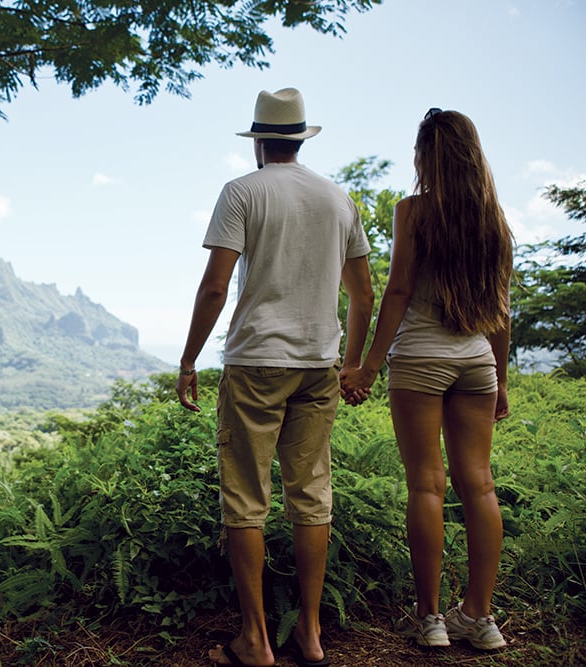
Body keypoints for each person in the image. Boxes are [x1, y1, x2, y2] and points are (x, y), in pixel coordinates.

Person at [176, 87, 374, 667]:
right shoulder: (339, 199)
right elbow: (362, 294)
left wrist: (189, 359)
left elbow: (215, 286)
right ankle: (310, 636)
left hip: (257, 360)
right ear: (301, 138)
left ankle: (256, 640)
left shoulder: (242, 192)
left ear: (260, 140)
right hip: (320, 363)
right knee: (312, 494)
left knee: (245, 498)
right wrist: (354, 363)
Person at [339, 108, 512, 651]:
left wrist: (367, 367)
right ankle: (480, 618)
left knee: (426, 485)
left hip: (420, 359)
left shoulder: (413, 211)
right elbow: (502, 311)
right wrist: (500, 381)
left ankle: (431, 619)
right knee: (479, 484)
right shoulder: (494, 220)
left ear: (425, 156)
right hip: (475, 362)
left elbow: (397, 292)